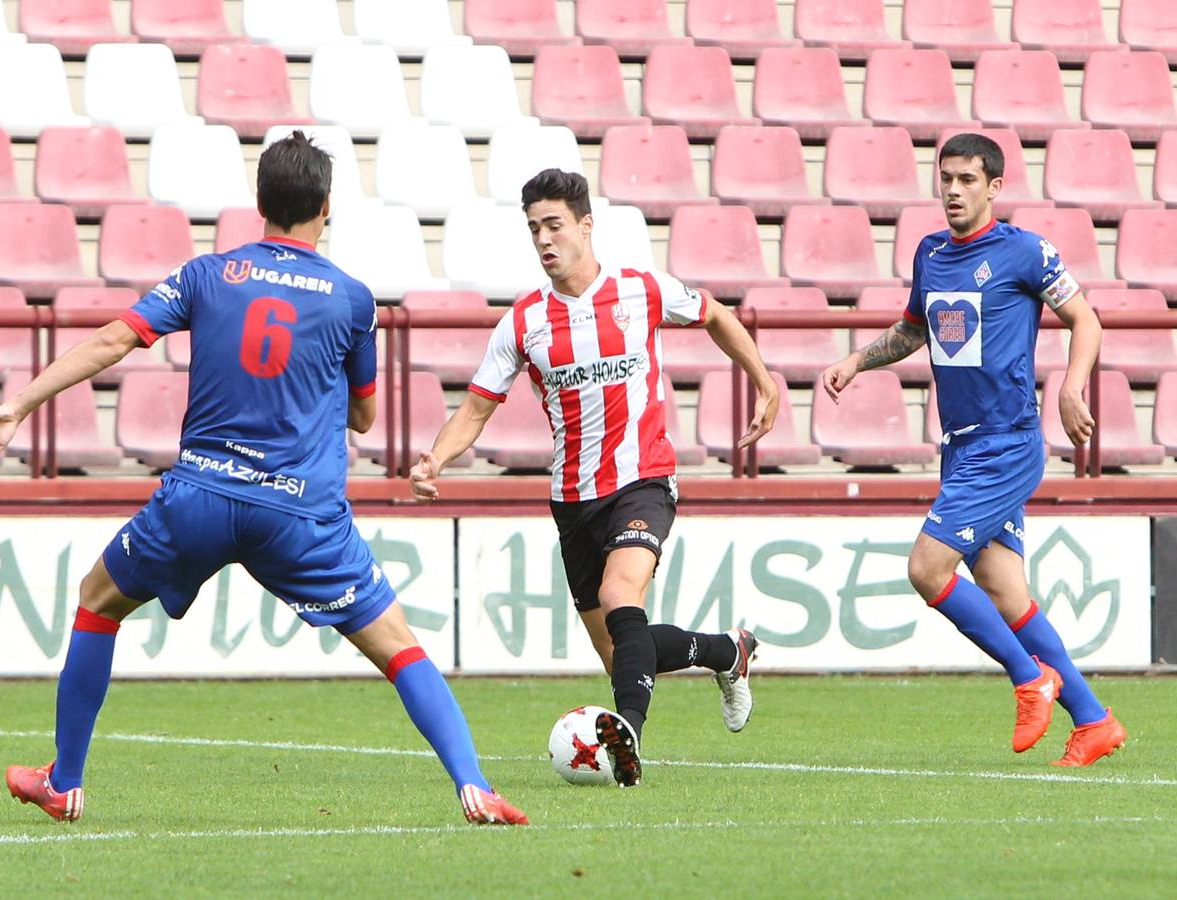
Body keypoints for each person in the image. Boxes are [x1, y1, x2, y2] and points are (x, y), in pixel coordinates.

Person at [0, 132, 528, 825]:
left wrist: (17, 405)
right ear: (325, 207)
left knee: (97, 600)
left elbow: (114, 339)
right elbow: (366, 416)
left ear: (260, 204)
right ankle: (472, 784)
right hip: (298, 512)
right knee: (397, 644)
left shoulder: (206, 275)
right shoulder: (351, 299)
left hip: (202, 495)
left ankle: (65, 780)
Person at [409, 169, 780, 787]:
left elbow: (716, 314)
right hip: (571, 500)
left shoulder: (641, 289)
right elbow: (475, 407)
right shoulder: (524, 322)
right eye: (534, 230)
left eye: (555, 225)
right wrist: (435, 459)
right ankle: (726, 652)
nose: (544, 240)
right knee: (622, 651)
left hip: (642, 479)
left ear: (586, 226)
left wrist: (765, 383)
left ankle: (626, 731)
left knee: (620, 599)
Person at [820, 132, 1126, 767]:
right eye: (945, 178)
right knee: (1004, 589)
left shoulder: (1025, 253)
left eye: (966, 180)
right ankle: (1094, 719)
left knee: (927, 569)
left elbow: (1086, 319)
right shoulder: (931, 253)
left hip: (1007, 443)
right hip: (961, 448)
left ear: (994, 187)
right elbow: (912, 330)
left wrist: (1071, 386)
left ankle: (1027, 676)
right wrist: (857, 359)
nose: (953, 191)